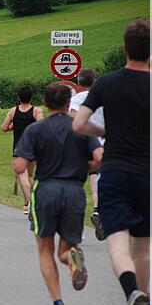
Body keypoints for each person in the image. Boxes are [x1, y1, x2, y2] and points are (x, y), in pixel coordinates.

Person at [73, 18, 150, 305]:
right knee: (143, 247)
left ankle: (132, 292)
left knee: (117, 243)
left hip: (116, 170)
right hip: (148, 173)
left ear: (124, 49)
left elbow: (79, 124)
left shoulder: (107, 82)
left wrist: (103, 132)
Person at [14, 82, 101, 305]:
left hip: (46, 189)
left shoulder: (35, 130)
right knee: (65, 248)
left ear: (44, 103)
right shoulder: (81, 129)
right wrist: (84, 167)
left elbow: (20, 166)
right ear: (68, 103)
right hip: (74, 189)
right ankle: (72, 260)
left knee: (45, 249)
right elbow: (100, 158)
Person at [69, 68, 104, 240]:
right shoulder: (103, 96)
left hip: (86, 143)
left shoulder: (77, 98)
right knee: (102, 177)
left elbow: (74, 120)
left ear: (78, 83)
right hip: (105, 144)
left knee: (84, 181)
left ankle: (83, 222)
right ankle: (100, 210)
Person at [1, 86, 44, 214]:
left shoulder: (13, 111)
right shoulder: (36, 111)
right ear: (31, 97)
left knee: (22, 176)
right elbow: (42, 126)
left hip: (19, 147)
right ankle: (27, 203)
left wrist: (14, 126)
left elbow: (4, 128)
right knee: (30, 175)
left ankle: (31, 202)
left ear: (19, 97)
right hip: (33, 147)